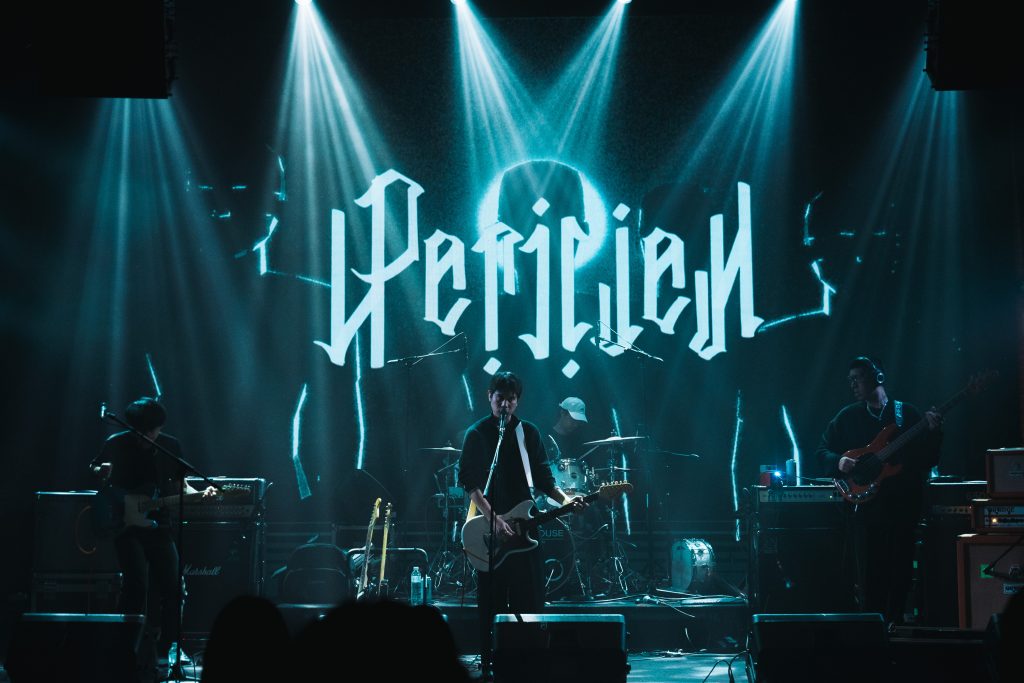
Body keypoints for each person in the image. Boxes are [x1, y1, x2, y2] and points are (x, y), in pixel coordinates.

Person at [458, 372, 583, 678]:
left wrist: (566, 500)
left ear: (518, 401)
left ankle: (528, 662)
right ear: (489, 397)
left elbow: (544, 480)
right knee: (491, 602)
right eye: (500, 398)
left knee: (530, 600)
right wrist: (494, 519)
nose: (505, 404)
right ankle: (490, 661)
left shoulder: (529, 433)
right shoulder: (477, 434)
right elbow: (470, 483)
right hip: (491, 531)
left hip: (525, 529)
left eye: (511, 399)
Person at [91, 397, 216, 673]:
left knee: (173, 588)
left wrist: (198, 494)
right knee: (136, 585)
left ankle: (167, 647)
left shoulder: (169, 447)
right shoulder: (116, 443)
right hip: (125, 526)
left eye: (153, 430)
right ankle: (125, 647)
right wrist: (101, 471)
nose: (148, 436)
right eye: (143, 431)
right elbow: (95, 470)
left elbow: (181, 486)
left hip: (159, 525)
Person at [815, 357, 942, 625]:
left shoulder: (907, 414)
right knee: (870, 573)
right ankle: (872, 626)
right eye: (850, 380)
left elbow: (928, 459)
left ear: (877, 377)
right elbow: (821, 451)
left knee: (900, 570)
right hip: (867, 510)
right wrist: (839, 461)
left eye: (857, 378)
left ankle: (896, 624)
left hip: (903, 505)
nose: (853, 385)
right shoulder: (848, 416)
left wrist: (933, 432)